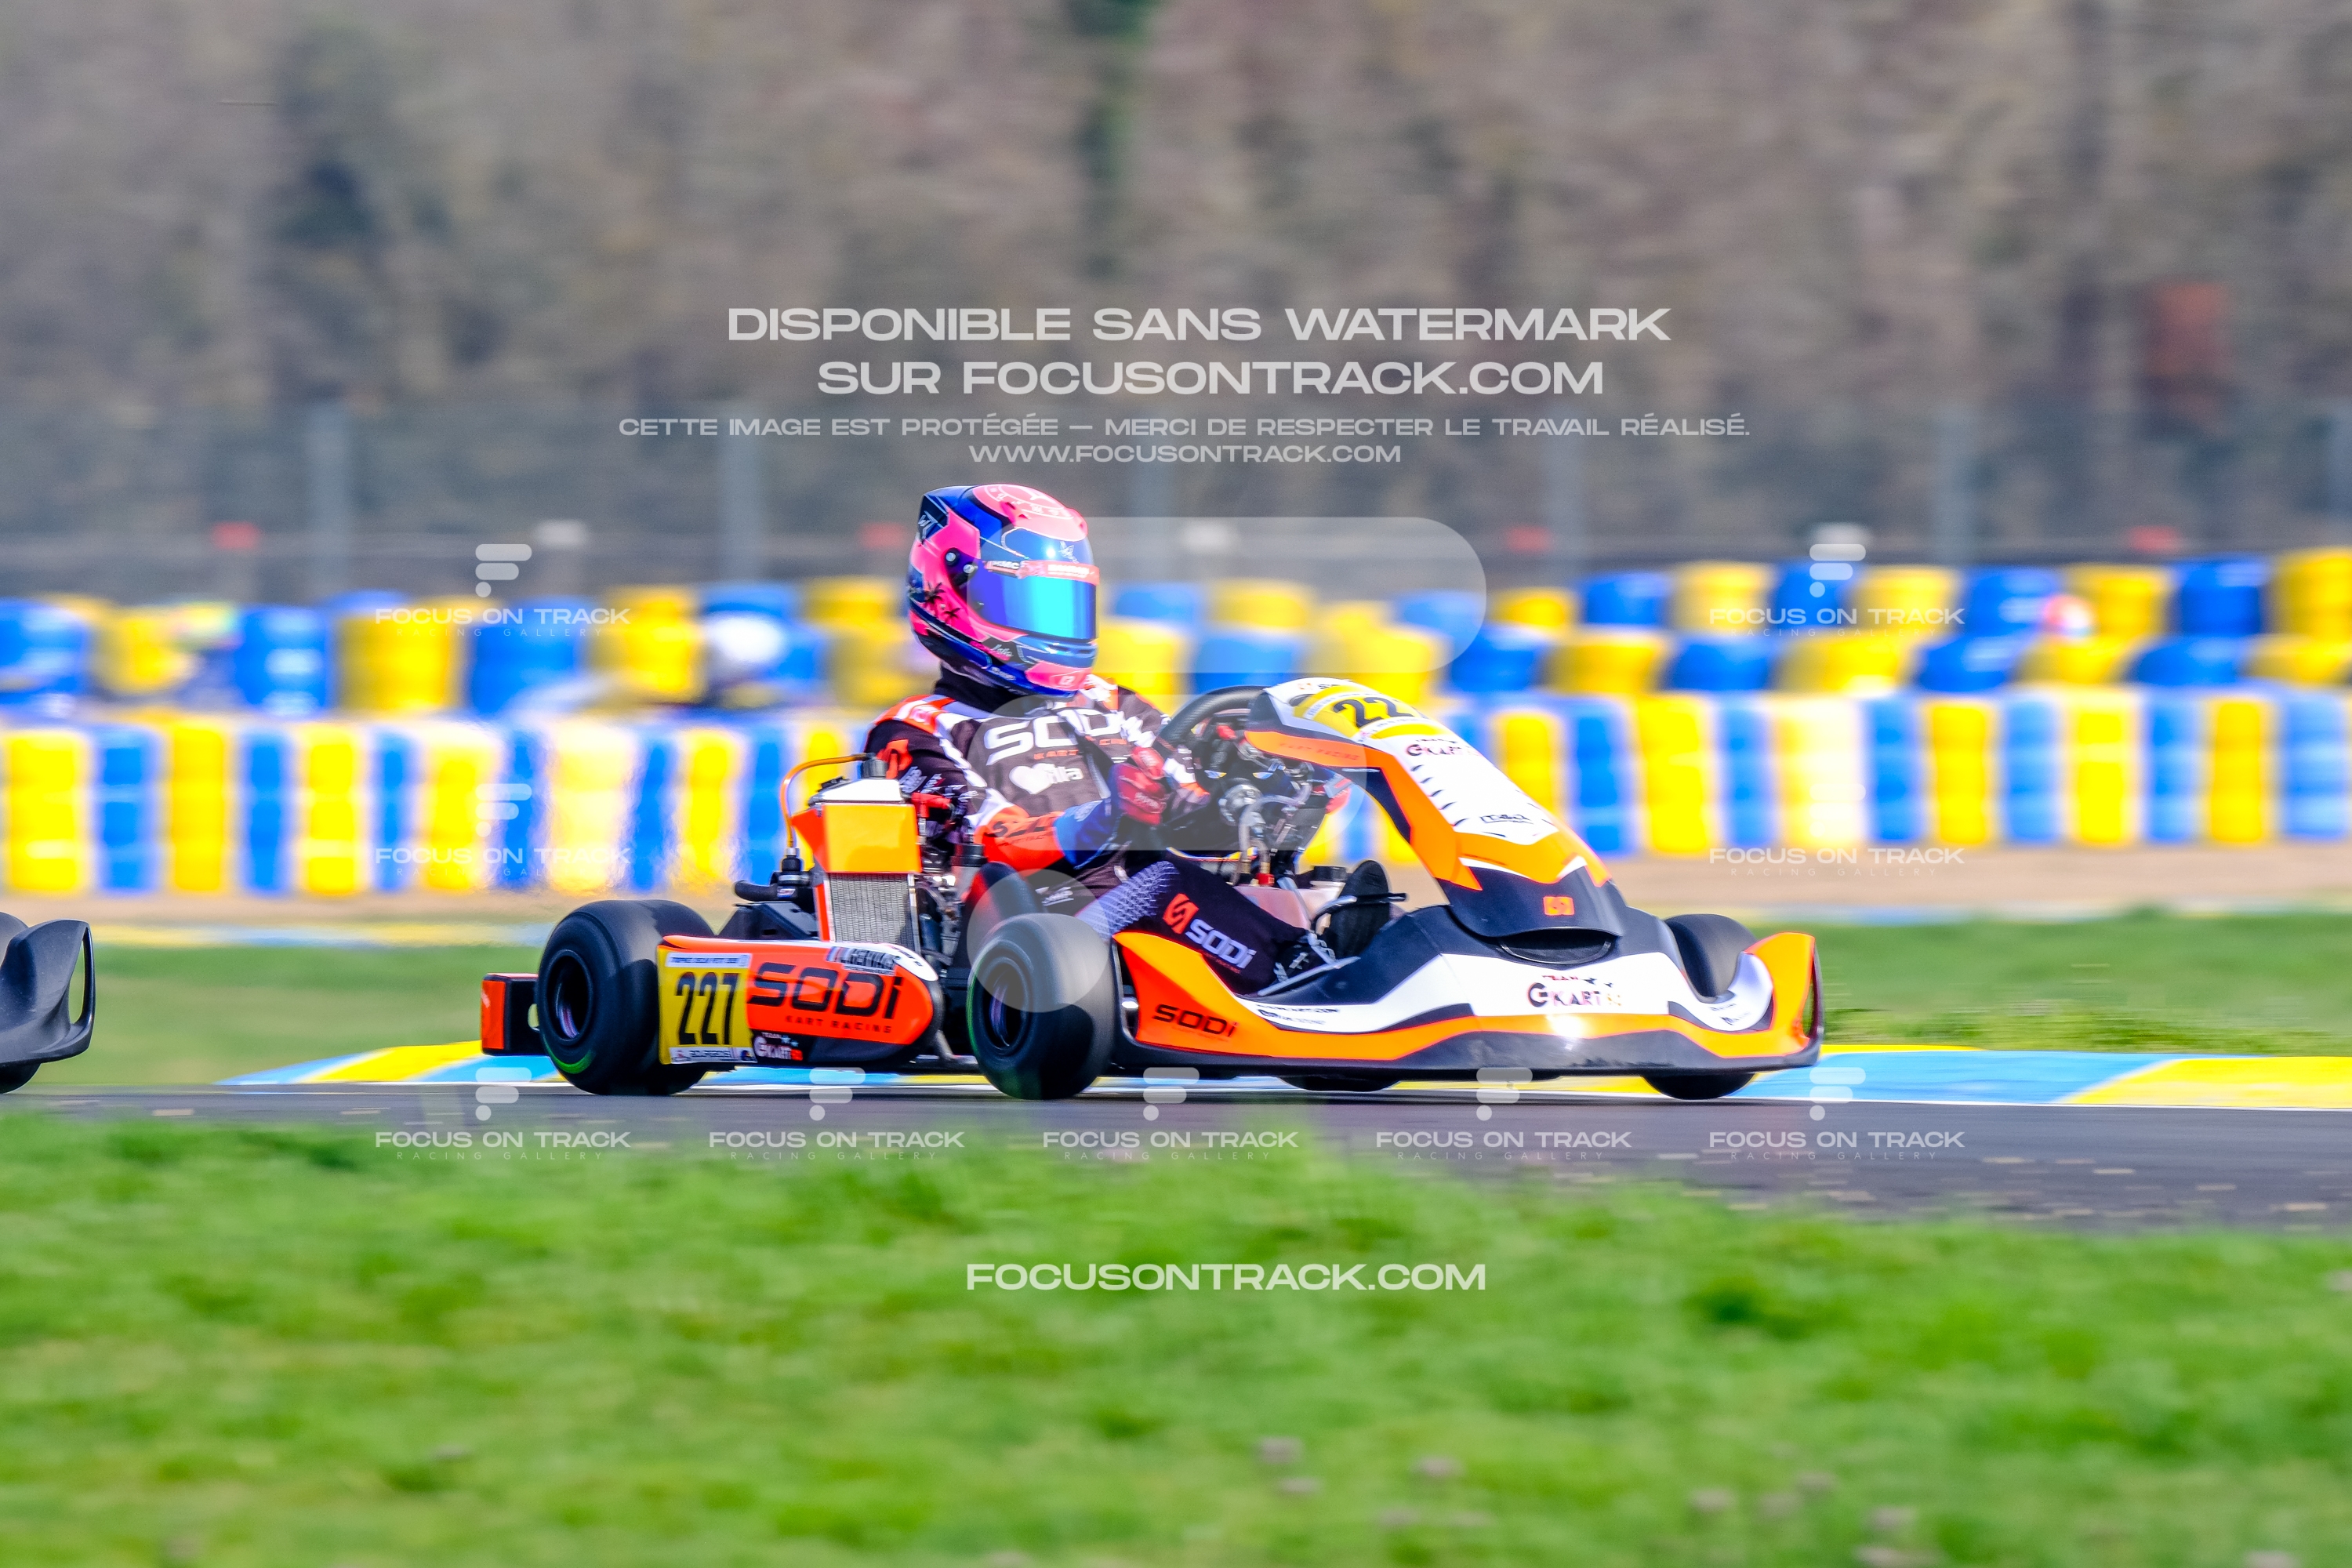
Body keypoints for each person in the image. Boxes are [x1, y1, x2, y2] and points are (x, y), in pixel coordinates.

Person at [863, 482, 1390, 995]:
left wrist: (1264, 789)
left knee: (1305, 889)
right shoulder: (916, 729)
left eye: (1063, 604)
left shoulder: (1109, 702)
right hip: (1034, 925)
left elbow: (1188, 807)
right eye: (1026, 604)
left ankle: (1382, 965)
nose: (1053, 625)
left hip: (1146, 903)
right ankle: (1306, 977)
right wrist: (1108, 817)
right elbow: (991, 838)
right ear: (949, 595)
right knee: (1158, 879)